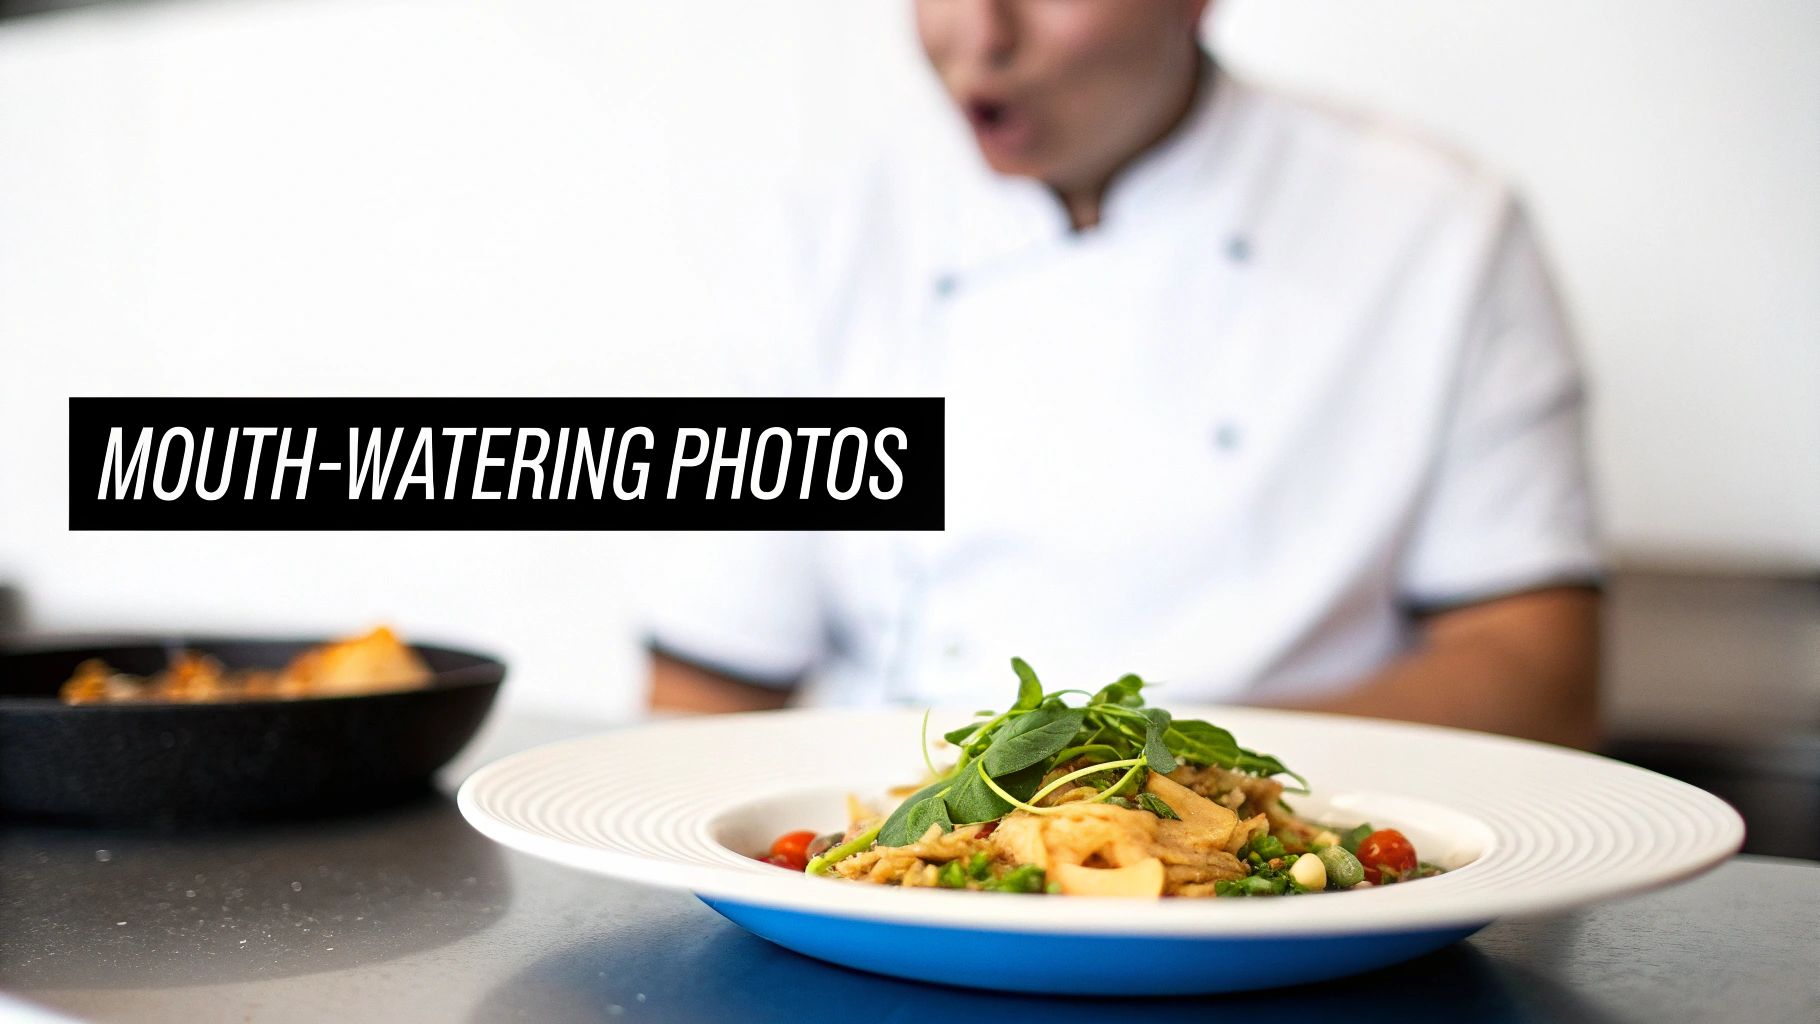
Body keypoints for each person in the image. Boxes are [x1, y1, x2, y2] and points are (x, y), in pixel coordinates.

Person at [645, 0, 1602, 749]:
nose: (980, 34)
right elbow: (702, 691)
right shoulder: (821, 231)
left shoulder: (1436, 227)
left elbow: (1539, 678)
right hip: (886, 866)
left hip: (1298, 865)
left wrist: (1170, 781)